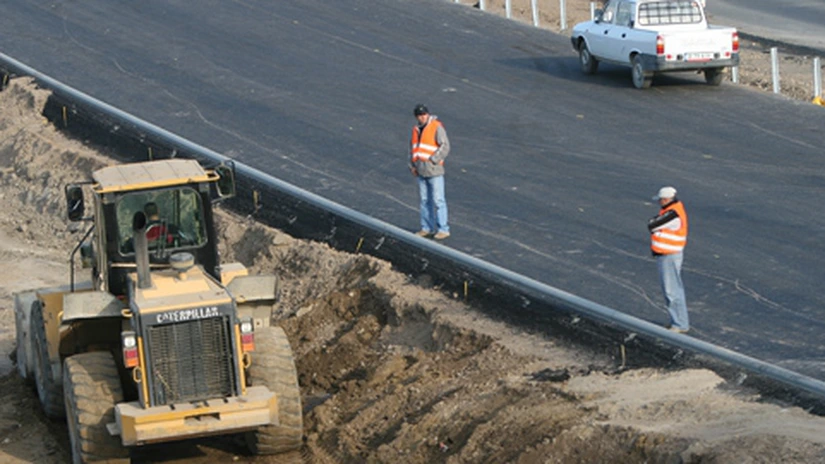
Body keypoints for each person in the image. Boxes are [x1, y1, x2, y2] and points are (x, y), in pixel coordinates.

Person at [648, 186, 689, 333]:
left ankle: (679, 324)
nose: (659, 202)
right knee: (672, 290)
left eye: (660, 200)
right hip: (666, 255)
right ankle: (677, 322)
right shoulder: (672, 210)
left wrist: (655, 222)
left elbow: (652, 224)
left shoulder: (673, 214)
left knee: (672, 291)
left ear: (666, 199)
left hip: (669, 256)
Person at [409, 103, 451, 240]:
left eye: (424, 114)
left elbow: (445, 146)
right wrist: (413, 166)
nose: (423, 117)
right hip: (421, 170)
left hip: (434, 170)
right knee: (425, 200)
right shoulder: (416, 130)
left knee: (438, 200)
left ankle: (443, 229)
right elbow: (414, 149)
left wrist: (434, 159)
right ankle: (426, 228)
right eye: (420, 115)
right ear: (416, 117)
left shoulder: (436, 126)